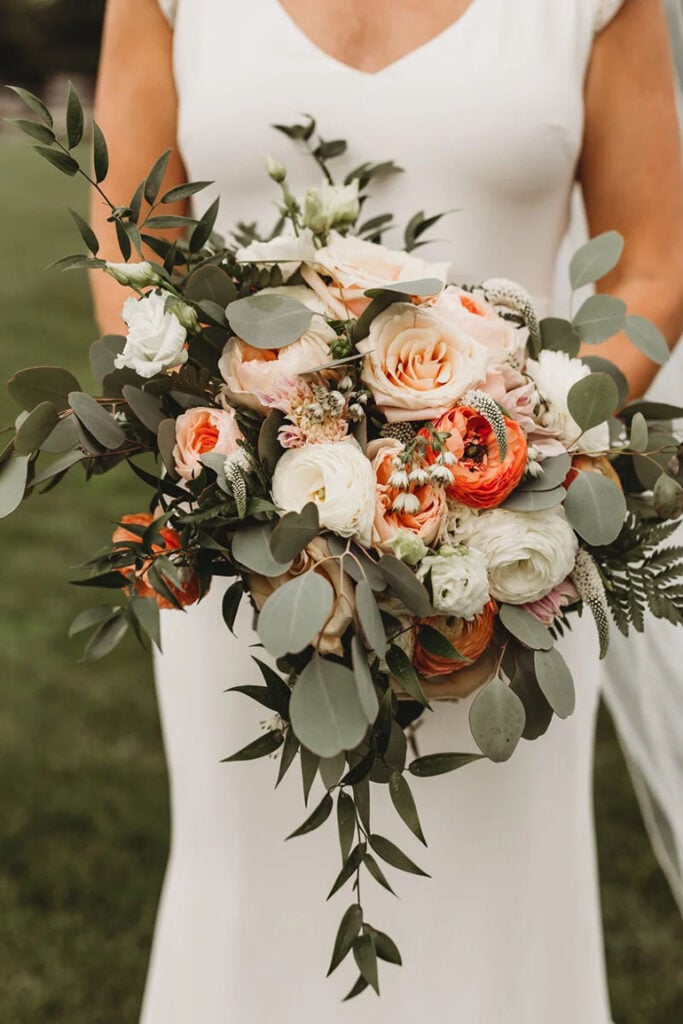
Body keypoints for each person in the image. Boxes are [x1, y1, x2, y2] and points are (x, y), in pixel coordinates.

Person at [90, 2, 683, 1021]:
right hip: (255, 559)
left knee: (494, 909)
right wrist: (240, 444)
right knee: (254, 899)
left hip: (503, 568)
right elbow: (131, 253)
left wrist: (500, 451)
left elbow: (652, 268)